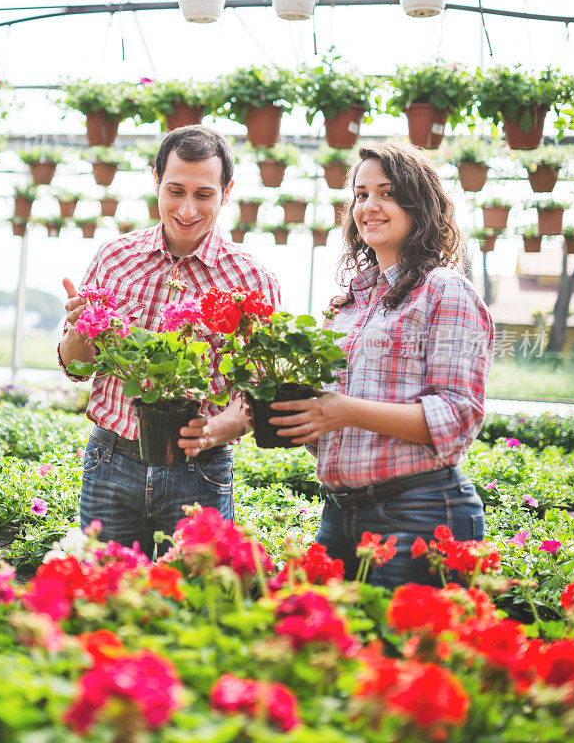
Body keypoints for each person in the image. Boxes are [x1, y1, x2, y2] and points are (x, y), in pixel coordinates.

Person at [269, 141, 494, 589]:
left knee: (400, 655)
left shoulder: (444, 291)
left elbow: (458, 416)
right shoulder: (348, 305)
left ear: (419, 204)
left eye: (387, 193)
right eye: (361, 194)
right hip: (339, 514)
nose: (369, 206)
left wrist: (344, 410)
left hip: (419, 512)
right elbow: (330, 414)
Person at [58, 125, 281, 558]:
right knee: (102, 595)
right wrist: (78, 330)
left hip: (200, 468)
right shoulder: (115, 258)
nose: (186, 209)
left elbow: (258, 390)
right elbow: (76, 367)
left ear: (227, 192)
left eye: (204, 194)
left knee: (194, 603)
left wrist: (218, 429)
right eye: (175, 190)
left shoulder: (252, 280)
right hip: (111, 461)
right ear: (156, 181)